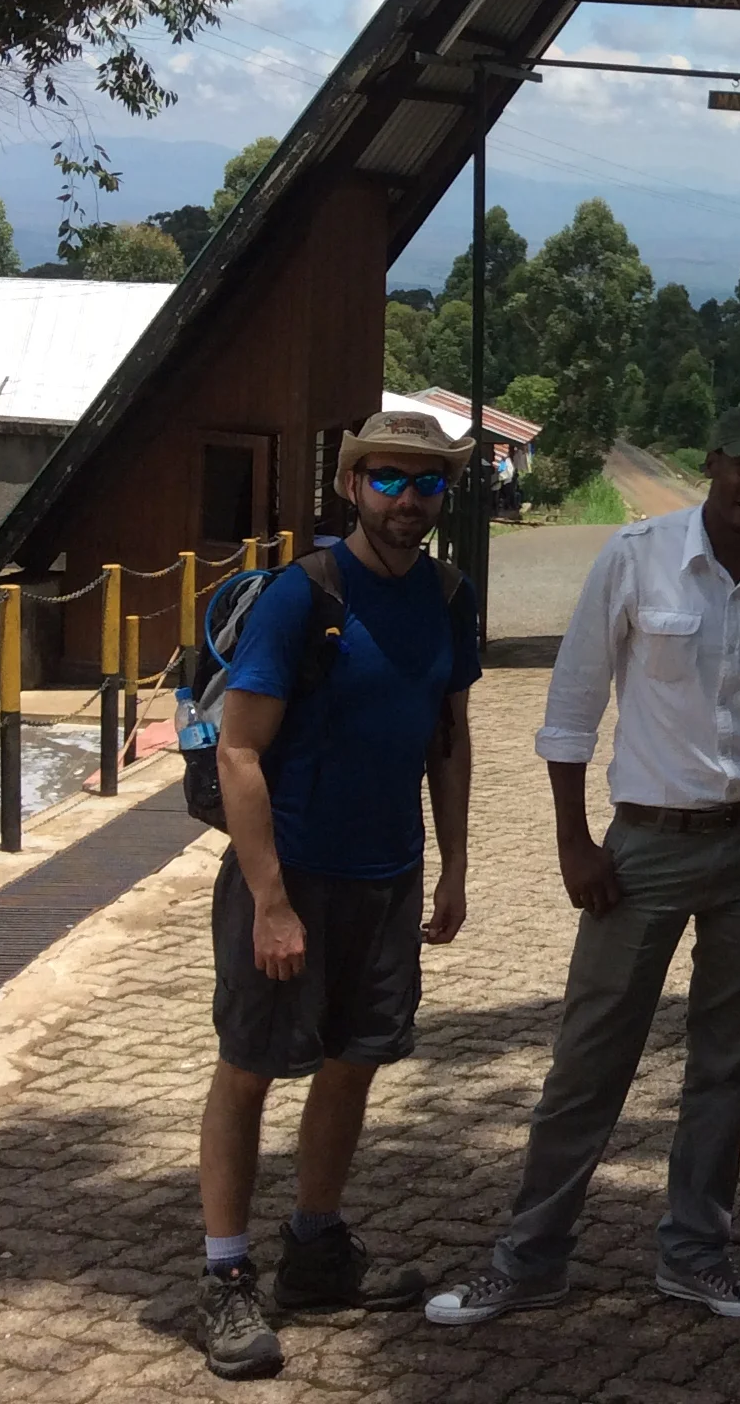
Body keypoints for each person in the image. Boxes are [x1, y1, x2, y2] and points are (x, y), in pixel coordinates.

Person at [425, 402, 740, 1327]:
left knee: (729, 1062)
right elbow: (573, 703)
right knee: (589, 1059)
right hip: (644, 849)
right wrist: (573, 841)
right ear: (713, 462)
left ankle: (695, 1255)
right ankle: (529, 1258)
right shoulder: (638, 557)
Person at [194, 409, 481, 1382]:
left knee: (352, 1061)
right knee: (249, 1065)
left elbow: (448, 735)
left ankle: (316, 1251)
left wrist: (455, 862)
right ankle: (225, 1275)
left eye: (428, 483)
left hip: (388, 875)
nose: (409, 500)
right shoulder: (301, 595)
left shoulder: (446, 593)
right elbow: (237, 749)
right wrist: (271, 901)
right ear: (353, 485)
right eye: (390, 480)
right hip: (294, 873)